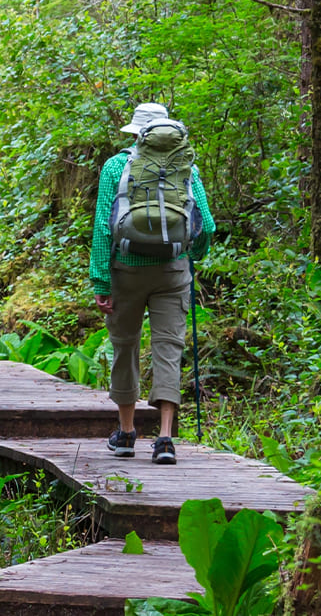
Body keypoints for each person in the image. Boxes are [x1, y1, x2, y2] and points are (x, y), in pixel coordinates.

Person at [90, 103, 215, 464]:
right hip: (172, 271)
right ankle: (164, 440)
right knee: (168, 349)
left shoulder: (116, 166)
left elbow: (102, 226)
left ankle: (127, 433)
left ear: (137, 134)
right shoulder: (185, 167)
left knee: (125, 346)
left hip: (126, 271)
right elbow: (205, 225)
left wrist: (100, 279)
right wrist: (193, 254)